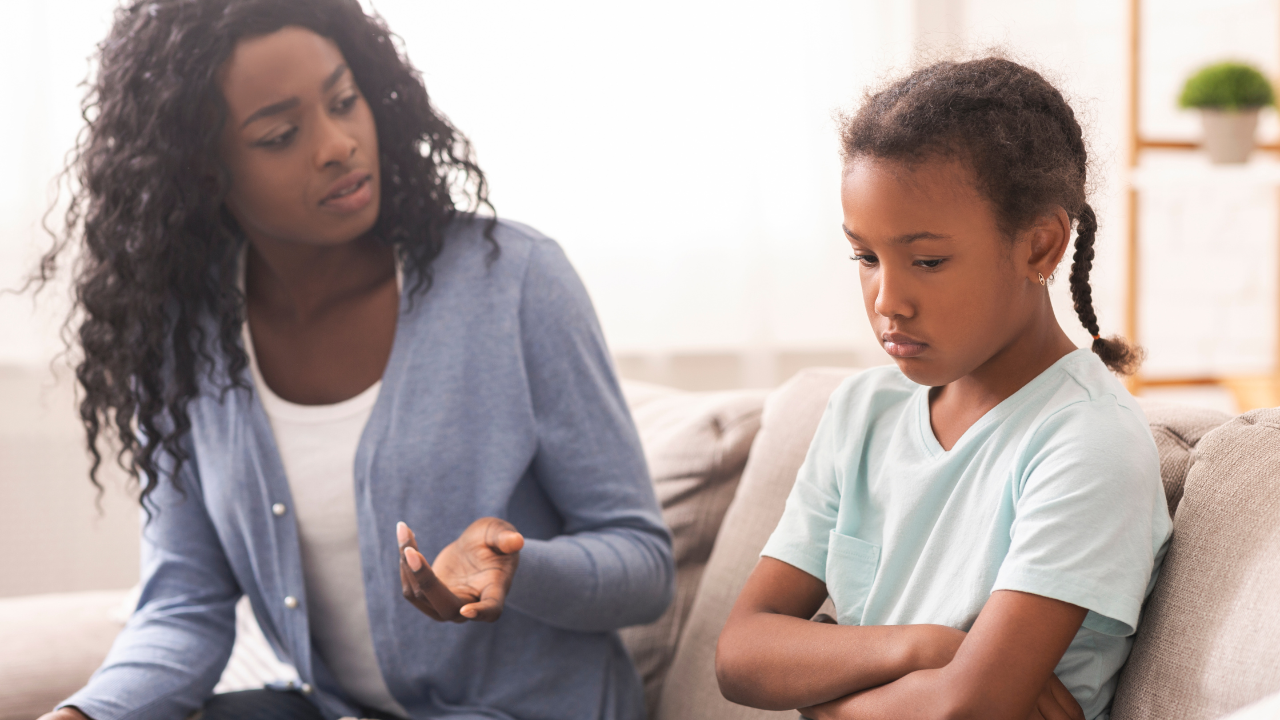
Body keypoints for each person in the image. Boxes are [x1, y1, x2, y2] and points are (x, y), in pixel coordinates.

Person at [36, 1, 673, 719]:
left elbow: (645, 570)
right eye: (280, 134)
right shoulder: (189, 337)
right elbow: (185, 602)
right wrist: (83, 714)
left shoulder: (513, 282)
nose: (337, 143)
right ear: (203, 172)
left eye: (345, 101)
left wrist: (517, 565)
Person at [715, 57, 1172, 720]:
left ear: (1040, 247)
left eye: (926, 261)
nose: (888, 300)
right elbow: (740, 656)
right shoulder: (861, 410)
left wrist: (820, 694)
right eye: (866, 258)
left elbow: (964, 710)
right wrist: (924, 648)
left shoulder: (1087, 443)